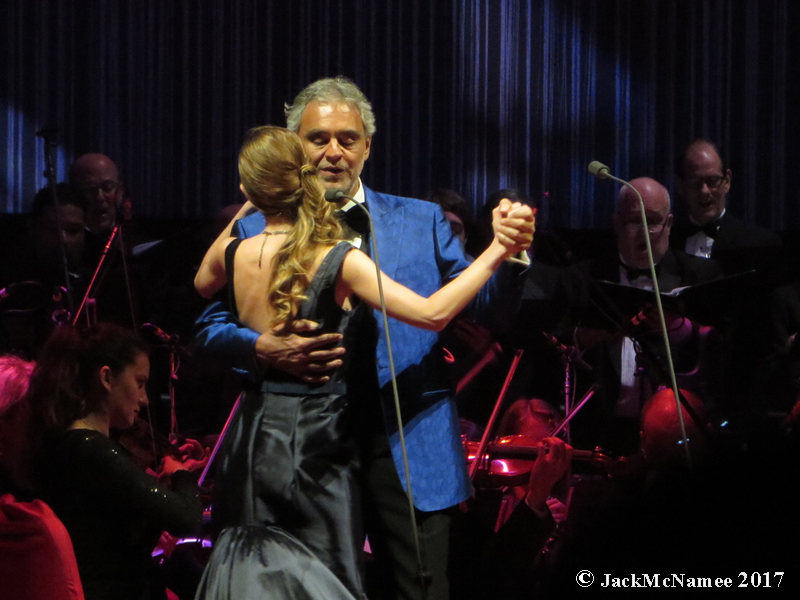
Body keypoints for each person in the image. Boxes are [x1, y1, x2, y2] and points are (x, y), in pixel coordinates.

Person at [192, 77, 535, 600]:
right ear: (295, 146)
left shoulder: (420, 219)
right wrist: (260, 347)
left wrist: (507, 252)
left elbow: (486, 309)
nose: (334, 151)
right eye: (318, 138)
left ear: (368, 146)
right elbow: (207, 324)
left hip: (404, 439)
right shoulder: (257, 229)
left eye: (347, 139)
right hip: (301, 448)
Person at [27, 323, 203, 600]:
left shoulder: (69, 444)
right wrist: (181, 475)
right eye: (140, 383)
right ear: (107, 378)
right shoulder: (90, 448)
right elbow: (188, 518)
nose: (145, 399)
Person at [562, 177, 722, 454]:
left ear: (669, 224)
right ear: (617, 223)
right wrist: (585, 337)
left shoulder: (700, 276)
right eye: (636, 221)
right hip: (600, 431)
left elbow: (727, 353)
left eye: (654, 221)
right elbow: (549, 341)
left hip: (676, 435)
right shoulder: (581, 279)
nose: (645, 232)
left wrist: (681, 329)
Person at [68, 154, 126, 238]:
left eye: (108, 188)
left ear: (120, 192)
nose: (100, 198)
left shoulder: (134, 238)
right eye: (89, 189)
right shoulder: (64, 240)